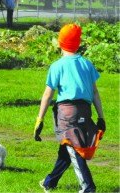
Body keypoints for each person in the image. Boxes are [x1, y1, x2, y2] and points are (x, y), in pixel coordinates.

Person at [34, 24, 106, 193]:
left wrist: (40, 119)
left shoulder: (57, 66)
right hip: (85, 110)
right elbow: (95, 92)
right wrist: (101, 117)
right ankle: (49, 182)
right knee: (67, 148)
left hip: (67, 112)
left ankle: (88, 187)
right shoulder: (87, 64)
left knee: (74, 148)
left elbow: (47, 95)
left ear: (60, 43)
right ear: (78, 43)